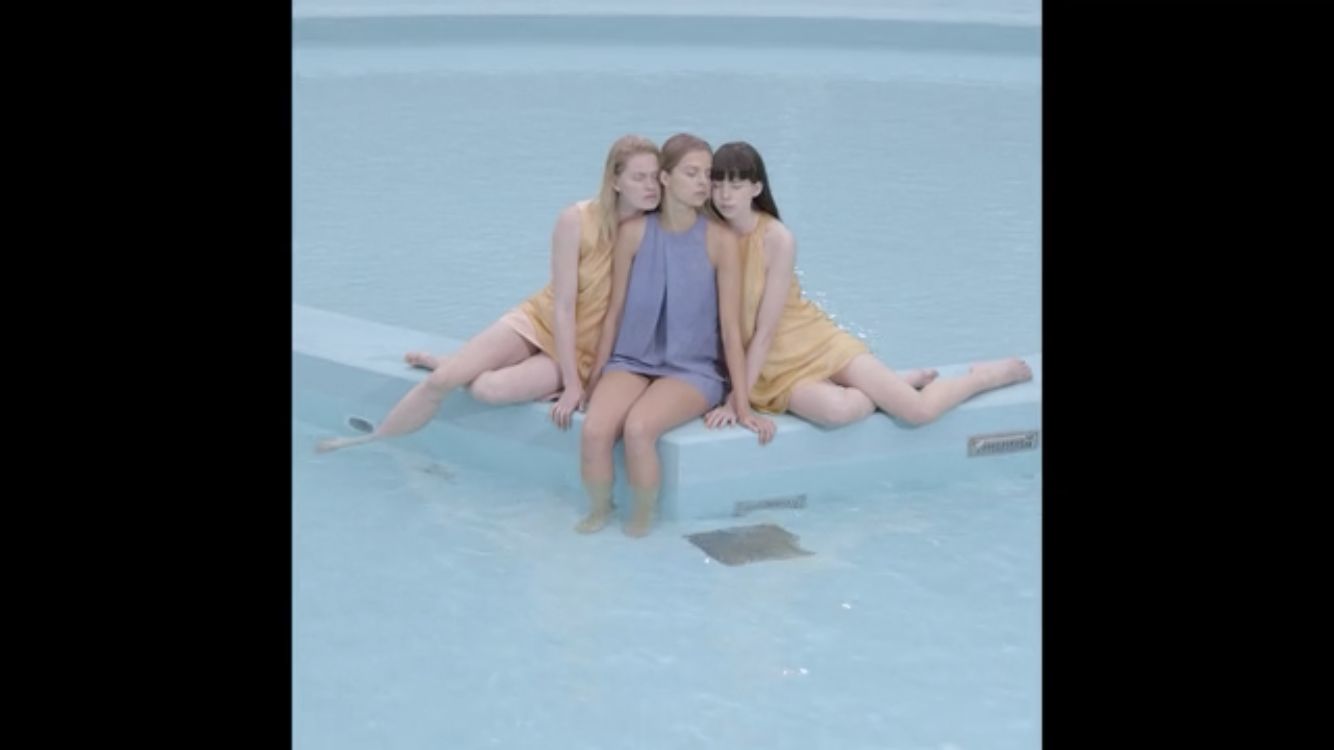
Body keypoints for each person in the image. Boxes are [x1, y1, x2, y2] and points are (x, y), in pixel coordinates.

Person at [316, 135, 662, 453]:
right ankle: (370, 440)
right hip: (539, 321)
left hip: (582, 349)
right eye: (638, 177)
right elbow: (563, 305)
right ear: (615, 181)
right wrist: (572, 385)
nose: (650, 186)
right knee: (442, 381)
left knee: (487, 390)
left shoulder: (656, 234)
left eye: (654, 177)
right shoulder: (576, 219)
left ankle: (459, 362)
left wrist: (581, 378)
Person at [701, 141, 1031, 432]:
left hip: (814, 342)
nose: (726, 195)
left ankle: (986, 376)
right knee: (837, 410)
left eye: (737, 184)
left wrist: (737, 401)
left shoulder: (777, 239)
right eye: (718, 185)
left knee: (917, 411)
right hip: (771, 369)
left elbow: (766, 331)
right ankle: (893, 384)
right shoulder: (711, 235)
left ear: (756, 188)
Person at [577, 134, 775, 538]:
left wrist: (742, 400)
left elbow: (731, 328)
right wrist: (593, 377)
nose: (705, 183)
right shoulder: (633, 233)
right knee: (596, 429)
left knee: (638, 429)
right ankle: (599, 511)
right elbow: (613, 313)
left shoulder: (721, 241)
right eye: (692, 173)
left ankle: (640, 522)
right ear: (665, 178)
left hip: (693, 369)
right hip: (632, 359)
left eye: (708, 174)